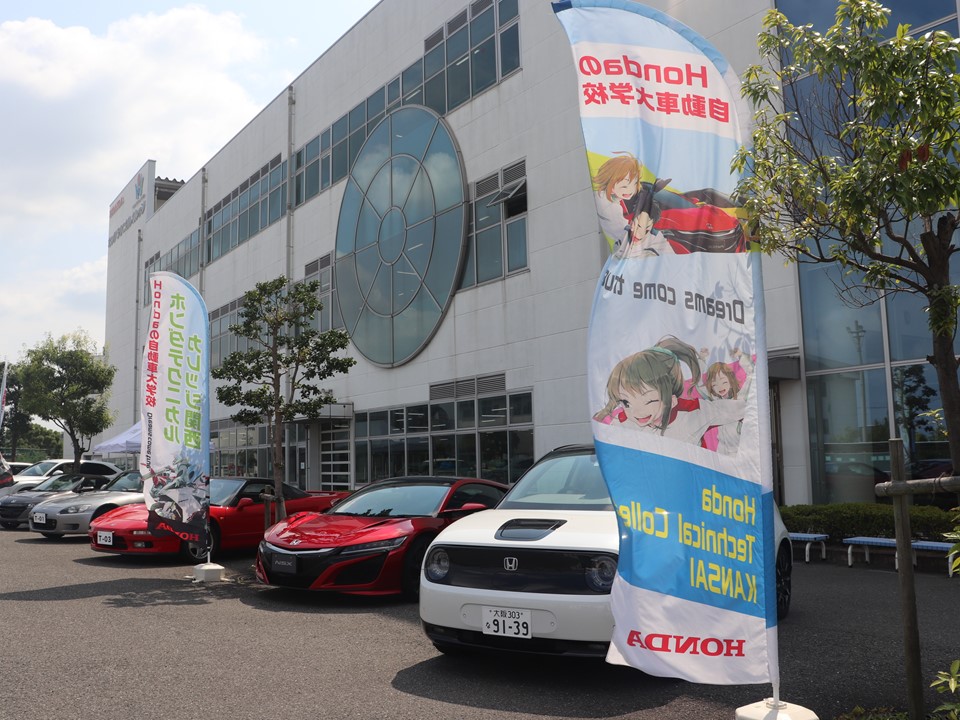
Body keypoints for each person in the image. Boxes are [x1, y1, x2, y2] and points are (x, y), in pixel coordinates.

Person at [594, 335, 746, 451]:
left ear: (673, 400)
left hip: (690, 486)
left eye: (648, 401)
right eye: (626, 402)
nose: (637, 411)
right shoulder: (623, 422)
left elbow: (741, 408)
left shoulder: (693, 412)